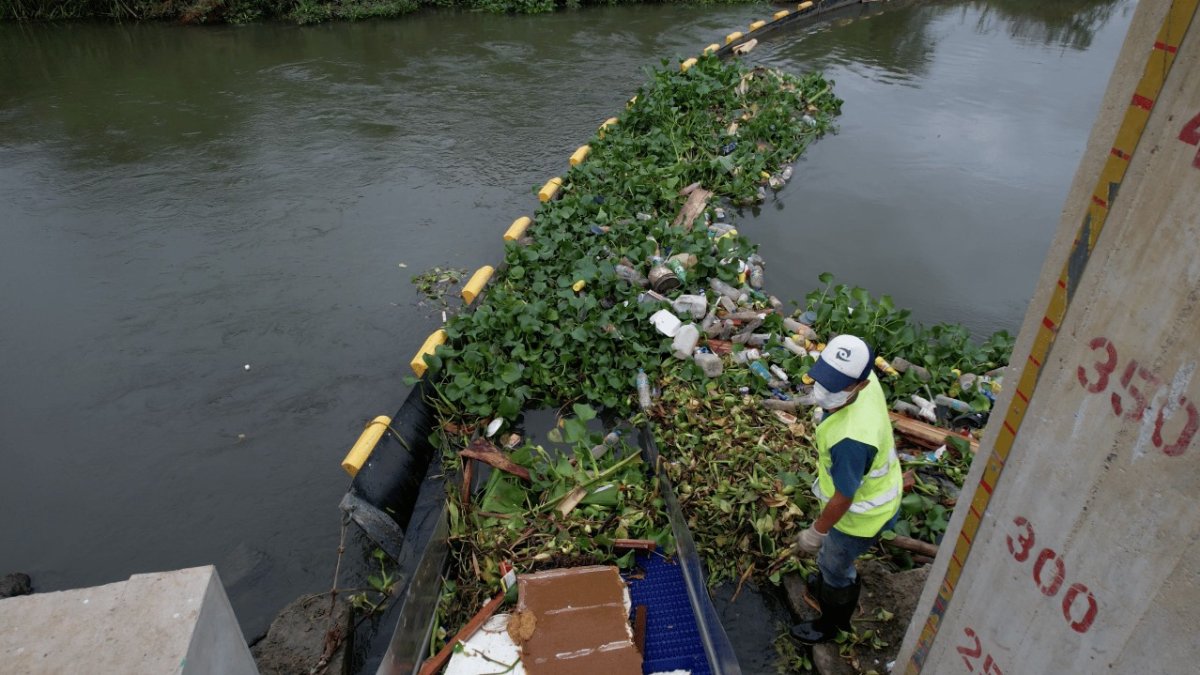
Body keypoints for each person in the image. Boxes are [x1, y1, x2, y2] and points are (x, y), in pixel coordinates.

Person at [791, 334, 903, 644]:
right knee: (830, 562)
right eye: (823, 379)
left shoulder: (851, 440)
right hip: (877, 487)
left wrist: (817, 530)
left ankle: (832, 624)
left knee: (835, 565)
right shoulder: (866, 383)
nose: (824, 390)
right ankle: (828, 584)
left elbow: (844, 496)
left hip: (860, 517)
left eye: (836, 385)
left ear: (860, 385)